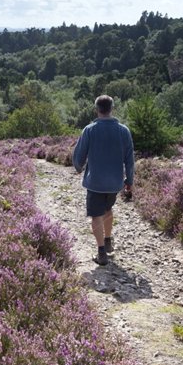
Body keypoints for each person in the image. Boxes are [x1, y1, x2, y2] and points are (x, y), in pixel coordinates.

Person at [72, 94, 134, 266]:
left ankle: (101, 253)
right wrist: (130, 180)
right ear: (112, 109)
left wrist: (77, 166)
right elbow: (130, 159)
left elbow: (79, 155)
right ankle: (107, 240)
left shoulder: (89, 130)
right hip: (115, 183)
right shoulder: (124, 131)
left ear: (97, 109)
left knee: (96, 216)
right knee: (108, 210)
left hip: (95, 182)